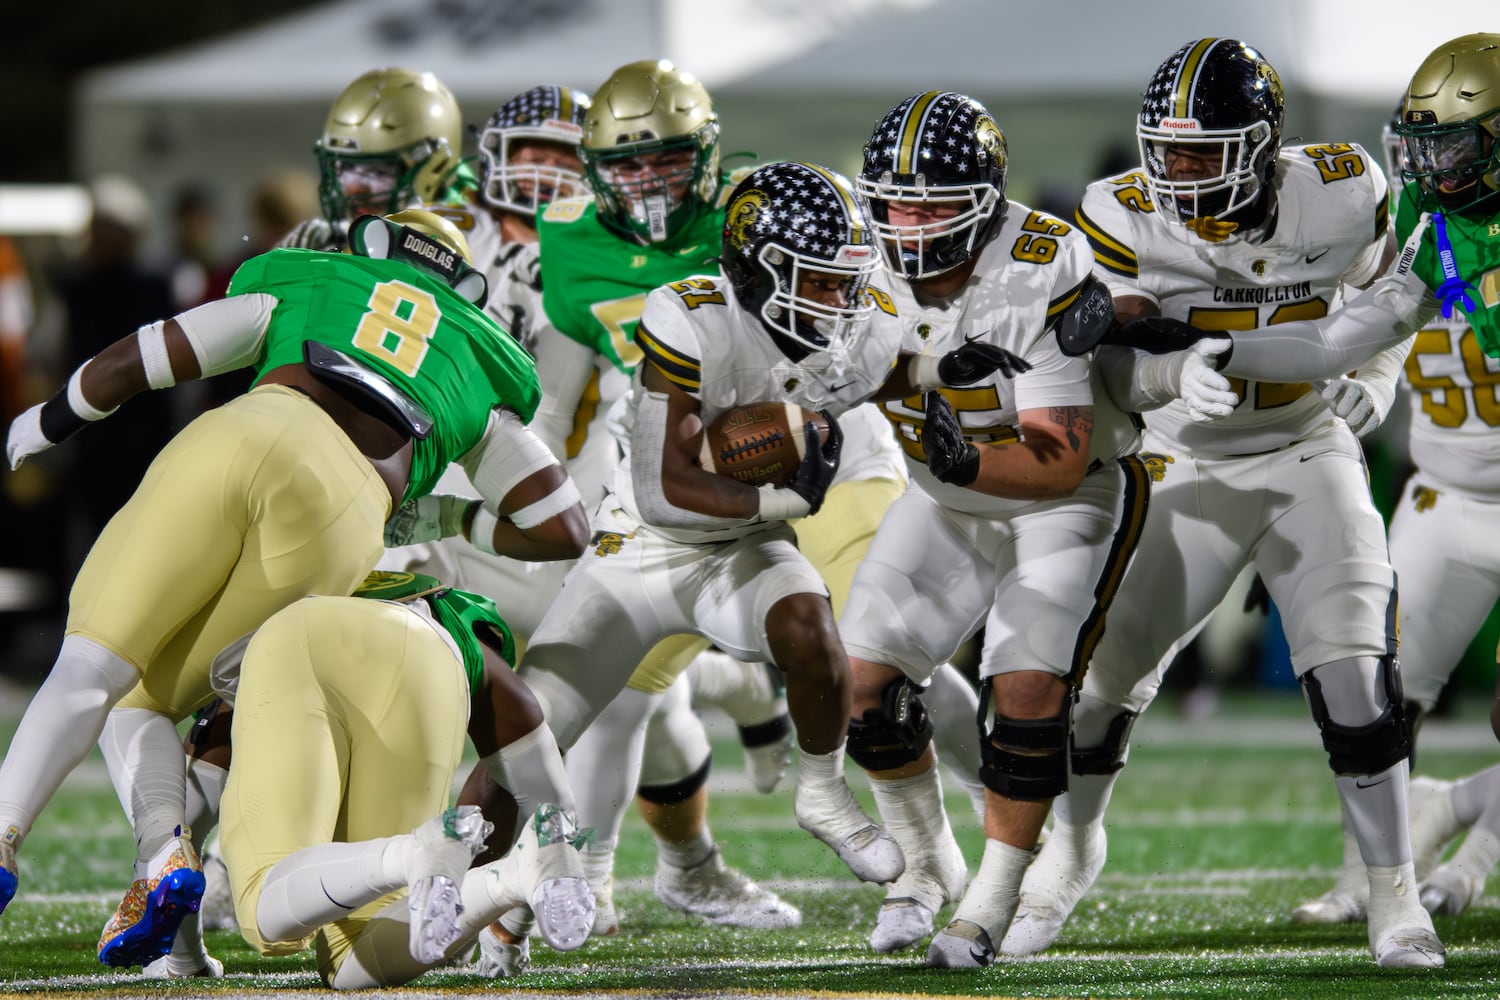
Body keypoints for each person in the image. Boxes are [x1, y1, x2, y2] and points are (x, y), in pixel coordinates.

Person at [0, 208, 587, 969]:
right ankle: (171, 887)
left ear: (371, 246)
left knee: (100, 671)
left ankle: (32, 835)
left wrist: (55, 417)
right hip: (347, 516)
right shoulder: (477, 359)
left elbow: (158, 350)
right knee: (163, 705)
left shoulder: (315, 277)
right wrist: (440, 515)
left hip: (245, 432)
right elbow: (560, 527)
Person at [998, 38, 1444, 970]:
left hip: (1307, 448)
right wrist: (1164, 373)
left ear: (1265, 146)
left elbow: (1388, 299)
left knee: (1357, 678)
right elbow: (1099, 356)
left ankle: (1393, 895)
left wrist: (1381, 372)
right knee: (1099, 689)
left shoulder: (1345, 186)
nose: (1179, 174)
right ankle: (1074, 850)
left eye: (1205, 153)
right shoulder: (1118, 213)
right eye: (1166, 151)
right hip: (1182, 458)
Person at [511, 158, 1029, 908]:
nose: (653, 178)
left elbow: (872, 365)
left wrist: (941, 372)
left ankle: (984, 805)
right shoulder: (640, 281)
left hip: (825, 463)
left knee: (876, 656)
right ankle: (590, 881)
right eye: (631, 161)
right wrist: (781, 499)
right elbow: (648, 473)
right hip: (695, 494)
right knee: (613, 699)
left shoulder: (823, 258)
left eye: (671, 155)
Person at [800, 91, 1144, 962]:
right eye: (896, 204)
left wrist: (957, 460)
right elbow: (831, 370)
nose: (909, 227)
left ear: (986, 202)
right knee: (860, 685)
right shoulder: (855, 255)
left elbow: (1058, 458)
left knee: (1025, 694)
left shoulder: (1041, 260)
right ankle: (925, 867)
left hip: (1060, 500)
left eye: (935, 207)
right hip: (943, 499)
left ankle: (987, 906)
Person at [1289, 36, 1500, 926]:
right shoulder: (1414, 223)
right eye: (1421, 148)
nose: (1431, 170)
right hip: (1442, 491)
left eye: (1452, 148)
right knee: (1374, 697)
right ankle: (1371, 877)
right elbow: (1357, 334)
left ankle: (1468, 840)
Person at [213, 576, 593, 990]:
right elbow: (553, 819)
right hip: (428, 665)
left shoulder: (330, 576)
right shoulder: (480, 661)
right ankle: (509, 878)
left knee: (260, 905)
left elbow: (198, 769)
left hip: (298, 633)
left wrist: (182, 954)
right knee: (351, 963)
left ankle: (413, 853)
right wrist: (507, 934)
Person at [280, 67, 470, 250]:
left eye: (378, 172)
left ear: (435, 167)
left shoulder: (474, 240)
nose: (353, 189)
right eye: (344, 167)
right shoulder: (325, 239)